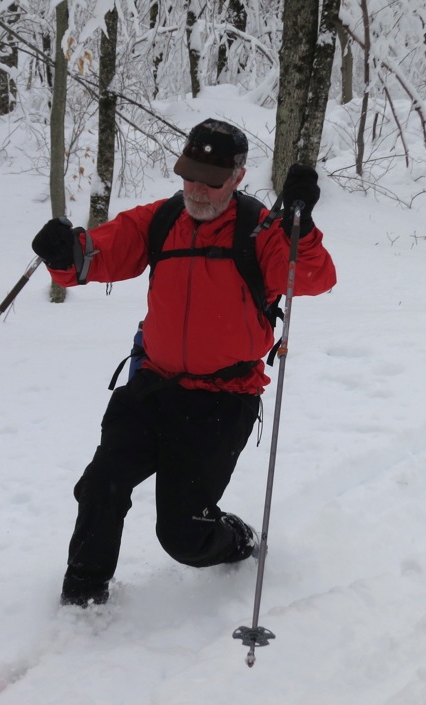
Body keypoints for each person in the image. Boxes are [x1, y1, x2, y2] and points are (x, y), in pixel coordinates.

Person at [31, 118, 337, 607]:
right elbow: (94, 258)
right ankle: (83, 598)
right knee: (101, 485)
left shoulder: (260, 231)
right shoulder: (158, 220)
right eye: (189, 173)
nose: (197, 188)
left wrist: (300, 224)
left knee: (182, 535)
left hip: (221, 400)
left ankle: (237, 539)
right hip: (151, 385)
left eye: (211, 179)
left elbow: (314, 279)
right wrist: (64, 252)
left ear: (237, 176)